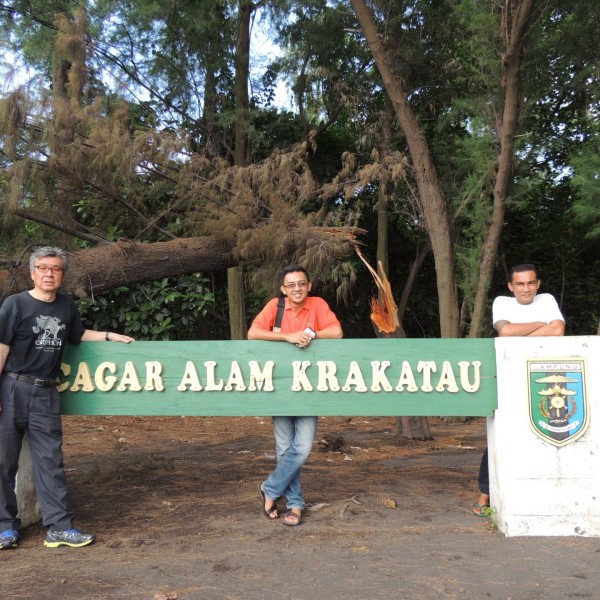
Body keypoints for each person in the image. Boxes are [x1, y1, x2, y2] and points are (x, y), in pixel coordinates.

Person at [0, 246, 134, 549]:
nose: (49, 273)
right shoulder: (15, 304)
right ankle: (5, 528)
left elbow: (78, 335)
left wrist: (110, 336)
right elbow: (2, 348)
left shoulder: (66, 306)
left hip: (46, 392)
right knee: (3, 462)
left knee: (51, 461)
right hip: (12, 387)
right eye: (43, 268)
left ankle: (59, 527)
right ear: (32, 273)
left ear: (62, 274)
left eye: (56, 269)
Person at [248, 264, 343, 526]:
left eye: (301, 284)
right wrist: (289, 337)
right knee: (284, 449)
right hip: (280, 388)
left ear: (309, 286)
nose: (296, 289)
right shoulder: (275, 307)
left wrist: (310, 336)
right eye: (291, 285)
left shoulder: (318, 305)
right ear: (283, 289)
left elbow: (336, 332)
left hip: (309, 389)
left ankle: (270, 488)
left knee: (301, 448)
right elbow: (253, 333)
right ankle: (295, 505)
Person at [472, 263, 565, 516]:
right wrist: (537, 324)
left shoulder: (547, 300)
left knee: (546, 437)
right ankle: (484, 496)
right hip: (507, 379)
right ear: (511, 286)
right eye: (520, 284)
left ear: (538, 284)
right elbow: (506, 331)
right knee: (498, 438)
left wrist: (518, 338)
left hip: (545, 379)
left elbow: (558, 330)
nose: (526, 289)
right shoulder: (502, 303)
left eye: (531, 283)